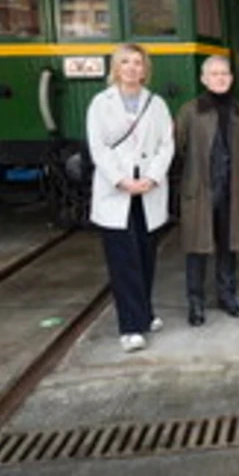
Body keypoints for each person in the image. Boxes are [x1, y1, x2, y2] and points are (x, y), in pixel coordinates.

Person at [86, 44, 174, 352]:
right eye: (126, 62)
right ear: (116, 67)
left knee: (146, 256)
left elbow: (167, 145)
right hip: (116, 192)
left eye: (138, 62)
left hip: (148, 190)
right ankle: (130, 326)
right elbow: (98, 147)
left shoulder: (157, 103)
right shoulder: (100, 103)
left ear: (145, 68)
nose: (132, 68)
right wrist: (122, 180)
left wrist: (151, 178)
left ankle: (146, 313)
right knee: (123, 261)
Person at [176, 56, 239, 326]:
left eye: (225, 74)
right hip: (200, 190)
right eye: (214, 73)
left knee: (228, 246)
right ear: (203, 79)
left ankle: (226, 296)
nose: (220, 78)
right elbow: (178, 151)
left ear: (231, 78)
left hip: (233, 190)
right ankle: (195, 302)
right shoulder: (189, 111)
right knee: (196, 249)